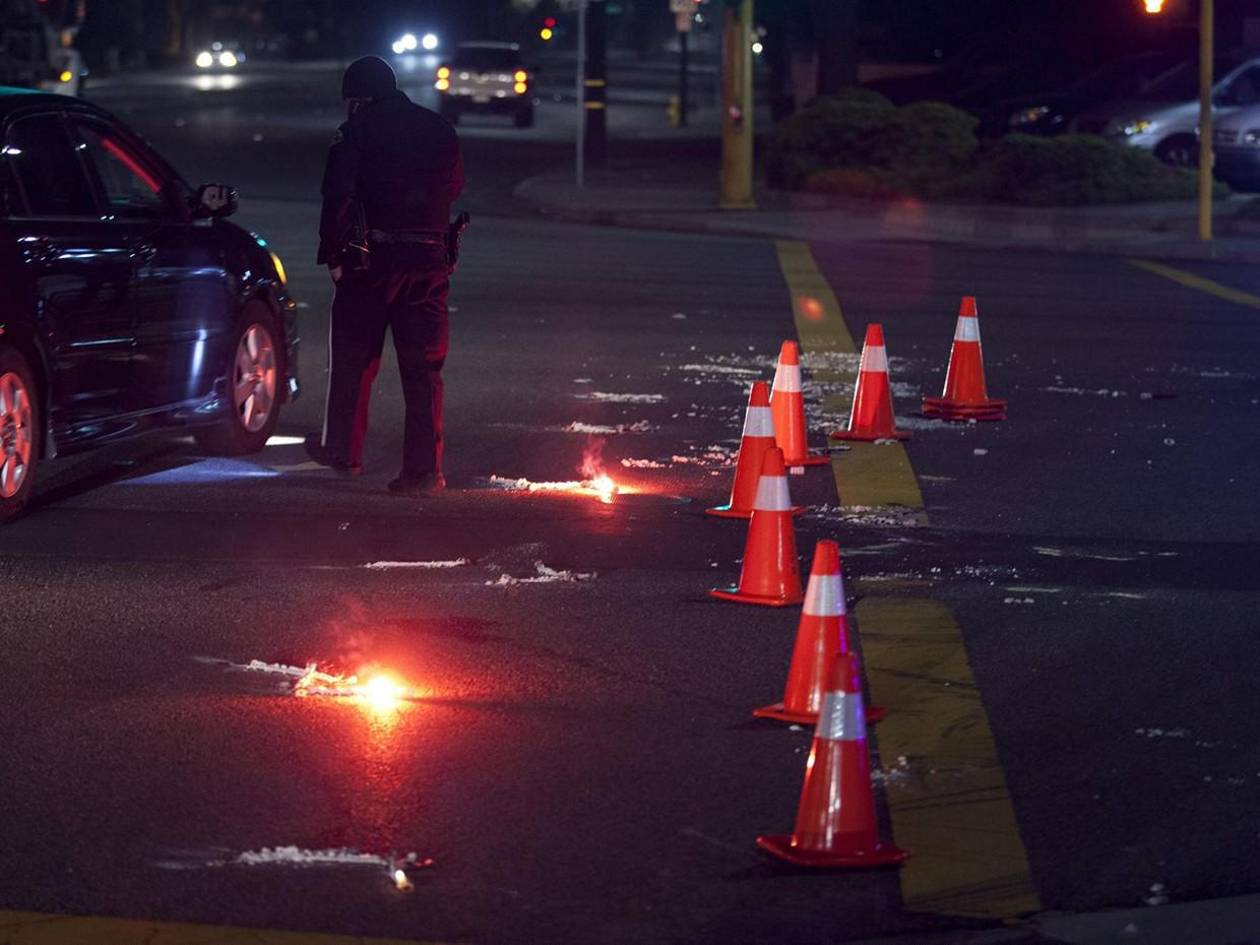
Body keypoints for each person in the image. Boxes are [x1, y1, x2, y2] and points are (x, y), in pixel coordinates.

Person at [305, 55, 464, 495]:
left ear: (357, 99)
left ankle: (343, 452)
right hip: (429, 262)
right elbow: (453, 188)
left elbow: (337, 195)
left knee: (354, 362)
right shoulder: (440, 129)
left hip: (370, 263)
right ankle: (425, 470)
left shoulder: (355, 131)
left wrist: (334, 255)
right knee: (424, 370)